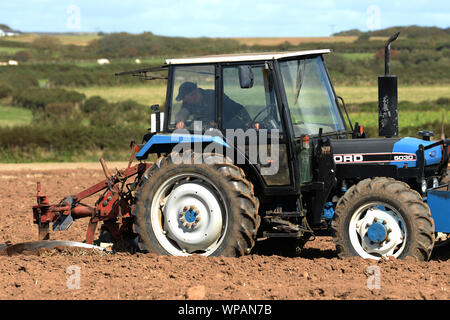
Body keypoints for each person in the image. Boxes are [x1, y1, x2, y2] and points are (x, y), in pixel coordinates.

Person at [174, 81, 251, 129]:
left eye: (185, 98)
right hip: (205, 133)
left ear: (194, 95)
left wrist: (250, 123)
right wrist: (180, 122)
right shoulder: (188, 103)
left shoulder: (215, 96)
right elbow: (183, 112)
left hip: (225, 133)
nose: (184, 101)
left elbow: (238, 109)